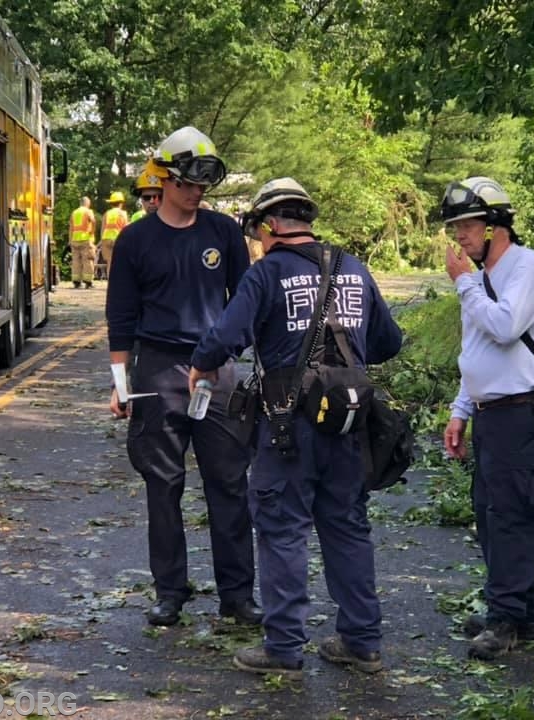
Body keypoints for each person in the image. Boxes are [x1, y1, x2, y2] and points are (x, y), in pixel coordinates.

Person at [189, 178, 403, 679]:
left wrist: (199, 366)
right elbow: (388, 342)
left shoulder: (267, 274)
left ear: (269, 225)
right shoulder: (353, 267)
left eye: (258, 230)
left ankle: (284, 649)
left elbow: (225, 335)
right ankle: (362, 642)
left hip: (287, 425)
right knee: (347, 527)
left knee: (283, 531)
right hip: (349, 423)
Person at [105, 126, 261, 627]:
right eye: (189, 183)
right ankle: (169, 592)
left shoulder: (223, 233)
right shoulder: (135, 240)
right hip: (157, 368)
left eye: (204, 185)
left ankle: (237, 596)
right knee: (162, 484)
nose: (197, 193)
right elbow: (121, 316)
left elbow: (245, 300)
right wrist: (120, 381)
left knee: (230, 483)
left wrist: (236, 356)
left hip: (216, 371)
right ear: (166, 179)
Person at [440, 176, 534, 661]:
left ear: (495, 225)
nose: (460, 235)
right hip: (491, 416)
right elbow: (476, 349)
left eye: (467, 225)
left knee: (514, 516)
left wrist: (465, 283)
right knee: (492, 516)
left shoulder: (527, 267)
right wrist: (460, 410)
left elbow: (506, 328)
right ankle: (524, 611)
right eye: (455, 227)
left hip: (523, 414)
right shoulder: (480, 277)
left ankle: (504, 619)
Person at [68, 196, 96, 288]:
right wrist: (92, 232)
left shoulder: (74, 212)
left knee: (76, 260)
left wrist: (70, 240)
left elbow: (71, 227)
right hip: (86, 239)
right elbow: (93, 221)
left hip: (75, 239)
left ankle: (76, 281)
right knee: (87, 260)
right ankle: (88, 282)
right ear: (87, 203)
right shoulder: (88, 211)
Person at [99, 191, 129, 277]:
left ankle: (110, 282)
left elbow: (103, 228)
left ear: (111, 203)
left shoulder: (106, 213)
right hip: (119, 239)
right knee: (120, 261)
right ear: (121, 203)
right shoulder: (123, 214)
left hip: (107, 239)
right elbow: (126, 228)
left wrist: (101, 241)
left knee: (110, 262)